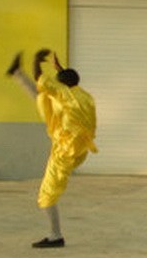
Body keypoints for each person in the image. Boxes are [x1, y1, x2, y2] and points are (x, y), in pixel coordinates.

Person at [7, 49, 98, 248]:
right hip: (79, 149)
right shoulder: (82, 95)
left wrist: (36, 61)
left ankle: (55, 236)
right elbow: (64, 83)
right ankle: (17, 74)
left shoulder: (64, 95)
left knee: (47, 195)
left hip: (65, 152)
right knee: (43, 98)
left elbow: (41, 79)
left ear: (63, 84)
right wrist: (60, 69)